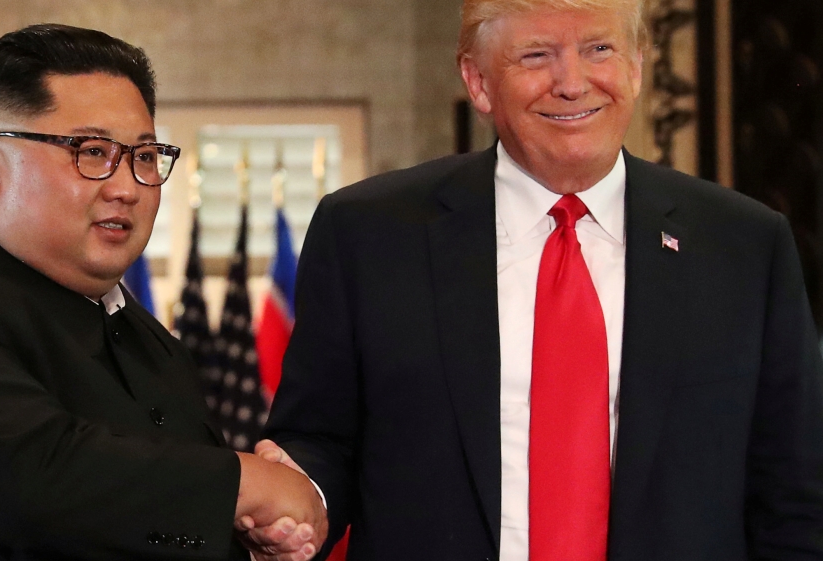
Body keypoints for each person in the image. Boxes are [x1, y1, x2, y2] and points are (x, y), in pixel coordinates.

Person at [258, 0, 823, 559]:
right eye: (536, 55)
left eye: (599, 48)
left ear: (636, 66)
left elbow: (794, 496)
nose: (572, 84)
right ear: (478, 82)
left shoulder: (746, 247)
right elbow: (322, 439)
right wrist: (301, 504)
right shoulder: (368, 234)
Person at [0, 24, 325, 561]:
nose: (126, 187)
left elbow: (149, 522)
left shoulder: (154, 342)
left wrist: (251, 544)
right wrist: (245, 483)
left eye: (144, 156)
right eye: (91, 151)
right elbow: (39, 481)